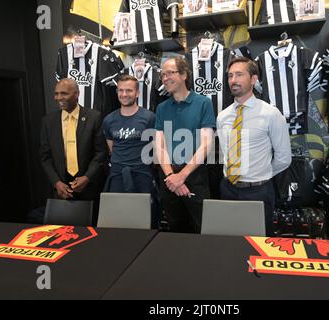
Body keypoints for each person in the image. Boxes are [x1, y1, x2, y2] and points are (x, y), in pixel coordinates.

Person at [217, 57, 291, 236]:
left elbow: (284, 158)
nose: (233, 80)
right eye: (230, 76)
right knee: (229, 239)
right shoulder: (223, 116)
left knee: (260, 242)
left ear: (253, 79)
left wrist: (261, 174)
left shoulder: (270, 114)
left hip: (258, 192)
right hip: (228, 189)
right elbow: (225, 153)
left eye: (239, 75)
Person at [155, 56, 215, 233]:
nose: (165, 78)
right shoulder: (161, 108)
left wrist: (182, 176)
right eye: (162, 75)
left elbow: (206, 144)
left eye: (170, 73)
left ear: (183, 75)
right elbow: (159, 146)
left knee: (202, 227)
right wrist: (172, 176)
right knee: (175, 229)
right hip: (168, 178)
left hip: (195, 176)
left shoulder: (203, 103)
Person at [40, 78, 107, 221]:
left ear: (76, 94)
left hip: (88, 187)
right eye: (56, 94)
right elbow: (45, 157)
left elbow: (101, 153)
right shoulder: (48, 121)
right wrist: (56, 183)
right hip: (60, 188)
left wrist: (87, 177)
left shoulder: (94, 117)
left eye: (64, 93)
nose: (59, 98)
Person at [102, 75, 159, 228]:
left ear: (137, 93)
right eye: (121, 90)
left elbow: (155, 146)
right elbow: (111, 147)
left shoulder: (149, 118)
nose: (124, 94)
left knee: (146, 220)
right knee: (117, 220)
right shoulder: (109, 120)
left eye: (129, 90)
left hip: (143, 175)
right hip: (117, 176)